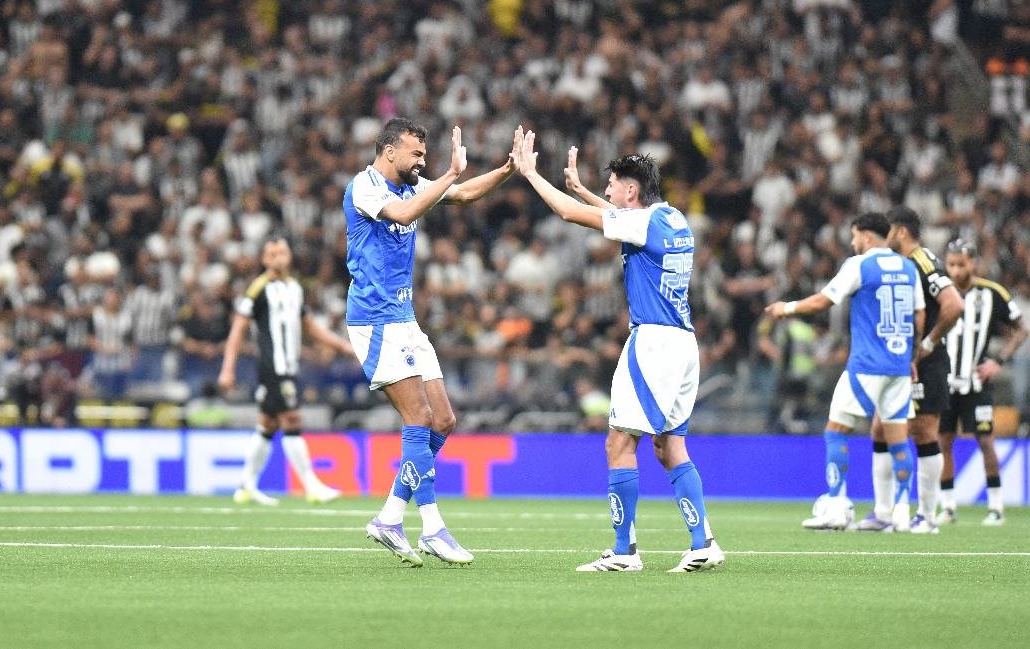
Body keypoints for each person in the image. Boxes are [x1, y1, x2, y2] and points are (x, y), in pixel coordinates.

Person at [515, 137, 725, 573]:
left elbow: (571, 215)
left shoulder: (642, 222)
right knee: (669, 447)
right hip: (684, 343)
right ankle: (703, 542)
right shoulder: (675, 218)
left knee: (618, 442)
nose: (607, 191)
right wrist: (583, 190)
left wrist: (531, 174)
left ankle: (625, 552)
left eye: (611, 185)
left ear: (631, 191)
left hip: (652, 342)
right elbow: (616, 217)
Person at [345, 118, 521, 567]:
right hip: (375, 320)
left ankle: (388, 517)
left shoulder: (414, 184)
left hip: (405, 319)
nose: (422, 161)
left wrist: (506, 169)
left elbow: (461, 194)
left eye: (425, 155)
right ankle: (433, 528)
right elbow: (404, 214)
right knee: (418, 416)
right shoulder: (364, 188)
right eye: (416, 154)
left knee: (442, 420)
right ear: (389, 152)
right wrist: (447, 174)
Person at [765, 212, 925, 532]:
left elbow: (825, 301)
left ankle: (836, 506)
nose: (852, 243)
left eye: (854, 236)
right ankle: (903, 510)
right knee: (898, 439)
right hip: (897, 365)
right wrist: (911, 355)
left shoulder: (860, 265)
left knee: (836, 431)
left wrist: (788, 308)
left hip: (866, 366)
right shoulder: (908, 267)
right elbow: (919, 316)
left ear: (866, 236)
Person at [218, 236, 355, 505]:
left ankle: (246, 486)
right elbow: (238, 330)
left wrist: (342, 346)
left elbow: (310, 327)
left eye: (282, 251)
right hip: (273, 366)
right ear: (264, 260)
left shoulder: (295, 288)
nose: (278, 257)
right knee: (291, 419)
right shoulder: (258, 289)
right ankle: (311, 486)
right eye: (273, 253)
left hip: (289, 366)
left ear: (289, 256)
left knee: (268, 424)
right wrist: (227, 368)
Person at [856, 206, 963, 533]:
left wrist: (927, 345)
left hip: (926, 363)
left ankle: (928, 516)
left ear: (900, 232)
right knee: (879, 429)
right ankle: (884, 512)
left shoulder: (922, 262)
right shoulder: (901, 265)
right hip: (901, 363)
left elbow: (954, 305)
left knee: (924, 432)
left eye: (887, 231)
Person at [939, 238, 1027, 526]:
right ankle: (948, 506)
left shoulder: (992, 293)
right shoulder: (940, 291)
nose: (955, 271)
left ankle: (996, 506)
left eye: (960, 265)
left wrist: (997, 361)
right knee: (943, 443)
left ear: (973, 263)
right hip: (945, 383)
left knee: (986, 441)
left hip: (977, 383)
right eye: (950, 264)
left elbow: (1021, 329)